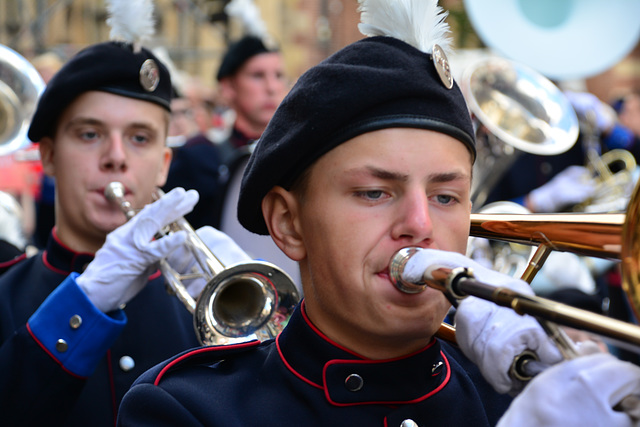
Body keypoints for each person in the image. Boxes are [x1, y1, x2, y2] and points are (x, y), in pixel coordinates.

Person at [117, 1, 534, 425]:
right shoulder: (188, 409)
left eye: (445, 197)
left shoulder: (521, 394)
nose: (421, 226)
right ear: (288, 223)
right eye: (374, 192)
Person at [0, 1, 250, 425]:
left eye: (139, 137)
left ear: (164, 164)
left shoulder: (205, 302)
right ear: (48, 155)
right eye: (90, 134)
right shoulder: (6, 291)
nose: (115, 158)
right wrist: (82, 306)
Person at [163, 34, 288, 230]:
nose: (272, 87)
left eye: (278, 76)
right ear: (228, 87)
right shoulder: (198, 156)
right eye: (257, 75)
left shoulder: (298, 153)